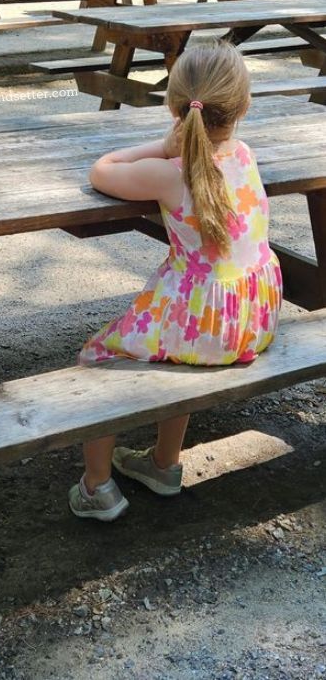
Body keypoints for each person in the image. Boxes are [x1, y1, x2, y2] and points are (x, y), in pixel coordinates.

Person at [70, 42, 282, 521]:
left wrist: (161, 145)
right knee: (179, 351)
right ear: (243, 107)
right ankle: (163, 465)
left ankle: (97, 487)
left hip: (204, 322)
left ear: (175, 107)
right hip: (253, 315)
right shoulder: (244, 154)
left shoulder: (170, 173)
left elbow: (103, 169)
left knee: (94, 358)